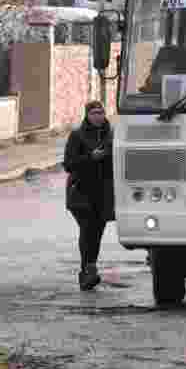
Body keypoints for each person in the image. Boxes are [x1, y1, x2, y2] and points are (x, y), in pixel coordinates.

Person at [63, 100, 115, 291]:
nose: (98, 116)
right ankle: (87, 270)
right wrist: (90, 158)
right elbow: (68, 164)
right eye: (94, 113)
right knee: (88, 230)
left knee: (97, 232)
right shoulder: (77, 135)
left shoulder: (112, 134)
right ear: (87, 115)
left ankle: (89, 268)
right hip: (81, 192)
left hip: (103, 193)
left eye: (100, 112)